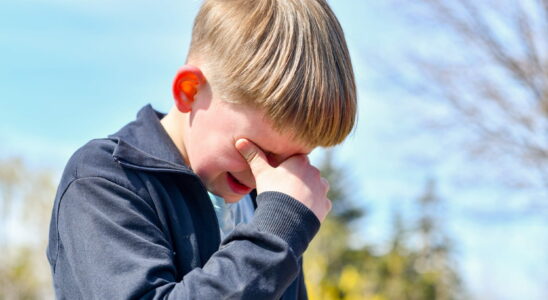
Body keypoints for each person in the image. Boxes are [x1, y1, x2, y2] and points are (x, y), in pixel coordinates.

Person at [46, 0, 357, 298]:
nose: (266, 174)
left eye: (291, 160)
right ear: (189, 90)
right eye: (256, 149)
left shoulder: (266, 206)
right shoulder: (104, 182)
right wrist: (277, 233)